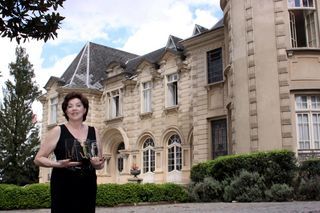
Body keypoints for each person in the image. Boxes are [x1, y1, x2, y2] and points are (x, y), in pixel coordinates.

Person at [34, 92, 105, 213]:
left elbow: (100, 163)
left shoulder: (94, 131)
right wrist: (58, 164)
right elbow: (38, 159)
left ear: (84, 109)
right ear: (66, 111)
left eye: (78, 105)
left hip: (88, 187)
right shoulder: (58, 130)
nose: (74, 109)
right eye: (70, 106)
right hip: (63, 187)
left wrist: (97, 164)